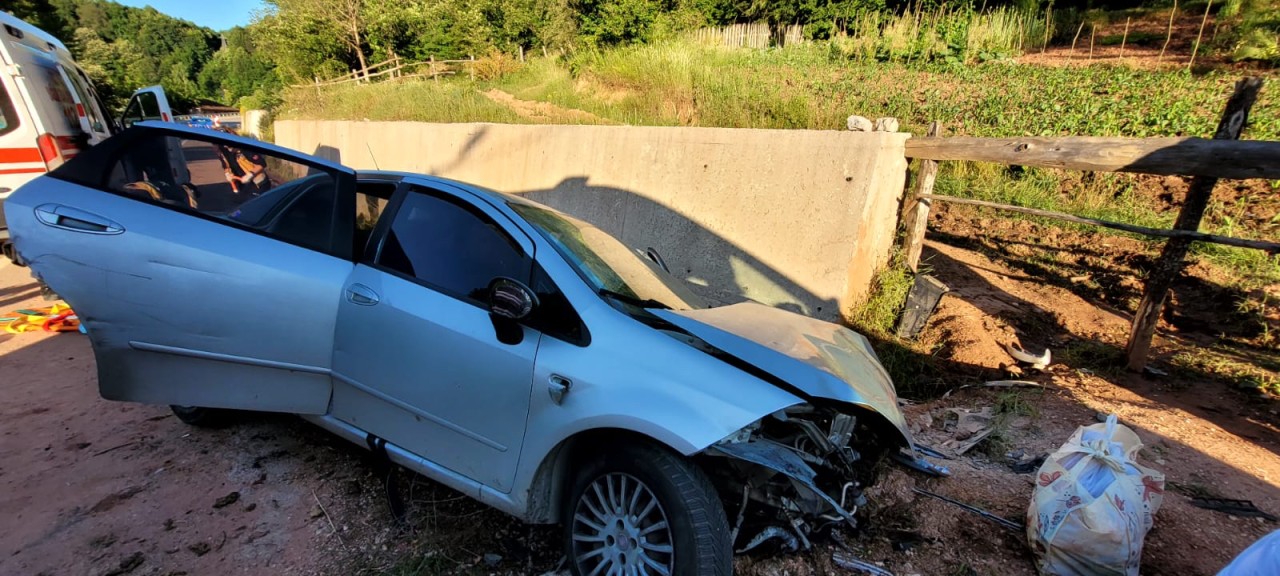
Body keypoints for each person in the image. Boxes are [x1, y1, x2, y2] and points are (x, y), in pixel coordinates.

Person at [214, 126, 273, 196]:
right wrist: (227, 174)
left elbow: (262, 163)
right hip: (242, 185)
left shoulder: (245, 148)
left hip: (258, 183)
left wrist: (250, 174)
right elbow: (225, 165)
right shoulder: (222, 151)